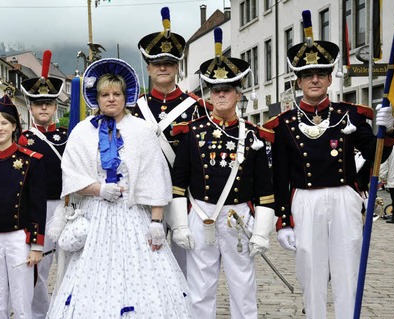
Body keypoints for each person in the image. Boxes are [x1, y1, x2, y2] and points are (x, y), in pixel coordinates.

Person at [263, 10, 394, 319]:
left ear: (329, 78)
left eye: (321, 74)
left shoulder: (349, 114)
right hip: (305, 200)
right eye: (308, 75)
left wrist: (387, 131)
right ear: (298, 81)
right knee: (310, 273)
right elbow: (280, 175)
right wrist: (283, 220)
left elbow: (378, 156)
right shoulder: (283, 124)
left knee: (347, 269)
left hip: (342, 198)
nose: (314, 80)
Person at [47, 58, 192, 318]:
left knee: (138, 275)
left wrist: (157, 222)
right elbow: (70, 174)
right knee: (96, 276)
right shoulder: (82, 132)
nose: (111, 99)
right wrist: (97, 189)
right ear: (96, 98)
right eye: (105, 94)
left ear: (127, 97)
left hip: (132, 214)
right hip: (95, 215)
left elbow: (154, 177)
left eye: (116, 94)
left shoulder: (142, 130)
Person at [171, 28, 275, 318]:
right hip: (202, 214)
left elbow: (266, 190)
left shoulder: (253, 135)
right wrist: (179, 224)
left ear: (238, 93)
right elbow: (178, 184)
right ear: (209, 93)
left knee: (243, 285)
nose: (220, 95)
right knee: (200, 288)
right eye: (215, 90)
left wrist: (262, 232)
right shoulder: (192, 133)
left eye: (227, 89)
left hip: (238, 217)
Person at [134, 6, 209, 273]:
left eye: (168, 62)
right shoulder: (135, 108)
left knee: (187, 267)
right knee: (146, 266)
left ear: (177, 66)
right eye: (156, 63)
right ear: (148, 68)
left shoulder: (198, 108)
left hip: (185, 196)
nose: (162, 67)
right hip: (144, 197)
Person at [0, 95, 47, 319]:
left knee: (22, 300)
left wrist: (36, 245)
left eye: (4, 123)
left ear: (14, 126)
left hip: (19, 238)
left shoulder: (32, 160)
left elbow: (37, 205)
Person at [19, 50, 66, 319]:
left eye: (48, 102)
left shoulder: (67, 136)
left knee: (68, 266)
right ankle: (41, 314)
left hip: (65, 207)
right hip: (37, 210)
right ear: (31, 107)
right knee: (38, 267)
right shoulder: (22, 140)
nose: (44, 108)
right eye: (39, 103)